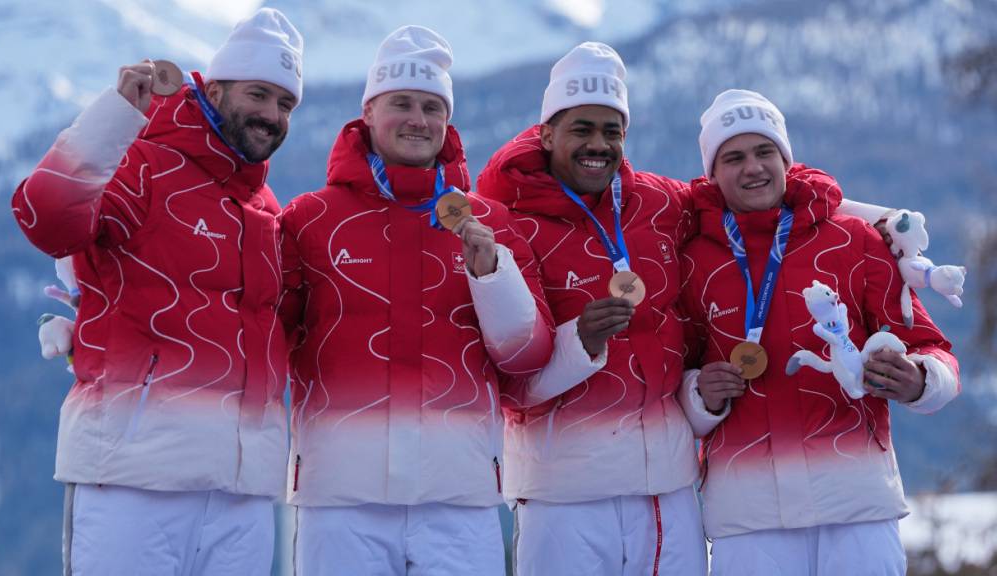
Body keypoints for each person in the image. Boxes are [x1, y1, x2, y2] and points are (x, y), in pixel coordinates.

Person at [11, 8, 303, 575]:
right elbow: (43, 215)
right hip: (132, 477)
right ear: (214, 89)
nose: (271, 115)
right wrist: (115, 115)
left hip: (243, 493)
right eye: (259, 94)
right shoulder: (143, 164)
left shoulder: (267, 212)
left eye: (285, 104)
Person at [279, 26, 554, 575]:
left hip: (459, 496)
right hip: (340, 497)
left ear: (447, 122)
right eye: (401, 103)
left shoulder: (491, 224)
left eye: (432, 107)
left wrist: (491, 274)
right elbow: (263, 338)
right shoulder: (308, 220)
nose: (417, 119)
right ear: (368, 112)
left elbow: (528, 358)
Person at [676, 89, 960, 575]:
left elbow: (932, 350)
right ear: (712, 172)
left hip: (857, 506)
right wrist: (698, 394)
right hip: (749, 518)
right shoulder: (693, 257)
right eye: (734, 157)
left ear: (785, 158)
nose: (753, 168)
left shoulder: (852, 240)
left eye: (765, 151)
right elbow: (672, 376)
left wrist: (919, 378)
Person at [476, 42, 710, 576]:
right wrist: (578, 343)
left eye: (612, 131)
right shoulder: (509, 218)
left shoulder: (663, 204)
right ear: (547, 135)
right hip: (564, 496)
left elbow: (751, 198)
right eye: (582, 129)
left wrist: (874, 218)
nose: (598, 145)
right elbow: (508, 386)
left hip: (667, 491)